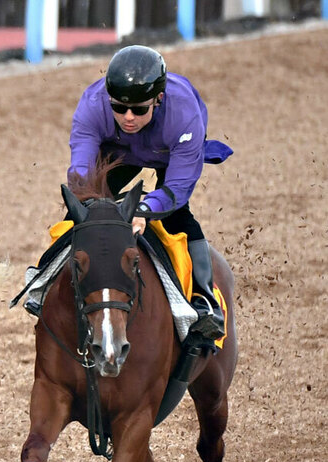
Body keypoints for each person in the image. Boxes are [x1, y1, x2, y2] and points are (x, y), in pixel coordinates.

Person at [68, 44, 232, 341]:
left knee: (176, 218)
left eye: (139, 109)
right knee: (81, 212)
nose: (128, 117)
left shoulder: (184, 113)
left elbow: (178, 187)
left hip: (168, 151)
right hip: (119, 150)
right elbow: (81, 170)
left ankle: (205, 299)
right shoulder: (92, 105)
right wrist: (90, 202)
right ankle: (45, 280)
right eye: (119, 107)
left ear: (158, 99)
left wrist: (145, 210)